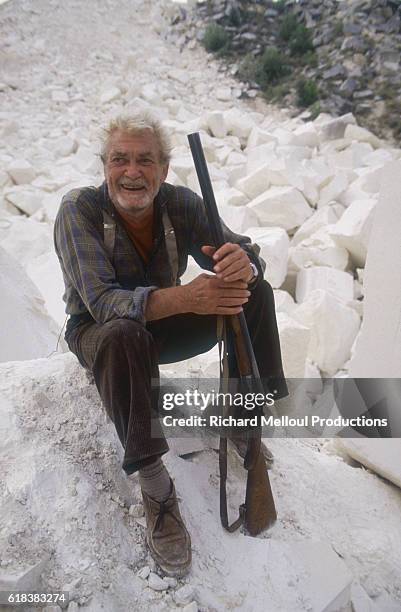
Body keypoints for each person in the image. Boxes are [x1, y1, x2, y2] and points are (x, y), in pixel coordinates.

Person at [54, 111, 288, 576]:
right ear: (105, 166)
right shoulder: (78, 210)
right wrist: (189, 297)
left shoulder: (180, 204)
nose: (133, 171)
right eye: (121, 159)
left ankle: (245, 419)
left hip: (160, 328)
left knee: (253, 293)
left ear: (163, 168)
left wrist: (246, 263)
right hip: (103, 337)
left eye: (146, 160)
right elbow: (102, 303)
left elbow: (240, 247)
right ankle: (156, 489)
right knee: (123, 332)